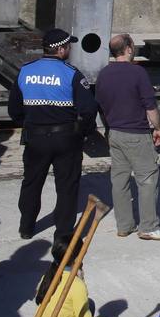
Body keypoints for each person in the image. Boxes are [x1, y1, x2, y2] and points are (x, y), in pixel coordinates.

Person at [8, 29, 97, 242]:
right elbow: (89, 109)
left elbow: (14, 111)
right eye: (69, 47)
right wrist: (83, 132)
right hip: (66, 138)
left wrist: (31, 123)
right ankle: (63, 234)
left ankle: (26, 226)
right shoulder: (72, 74)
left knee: (31, 182)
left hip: (35, 138)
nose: (70, 50)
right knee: (67, 186)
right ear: (61, 49)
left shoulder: (25, 71)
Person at [96, 34, 160, 240]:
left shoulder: (103, 74)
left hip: (114, 134)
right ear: (128, 49)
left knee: (119, 181)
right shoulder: (138, 73)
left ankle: (124, 226)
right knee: (147, 179)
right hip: (136, 133)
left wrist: (110, 126)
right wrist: (158, 127)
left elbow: (99, 104)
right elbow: (150, 106)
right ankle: (148, 226)